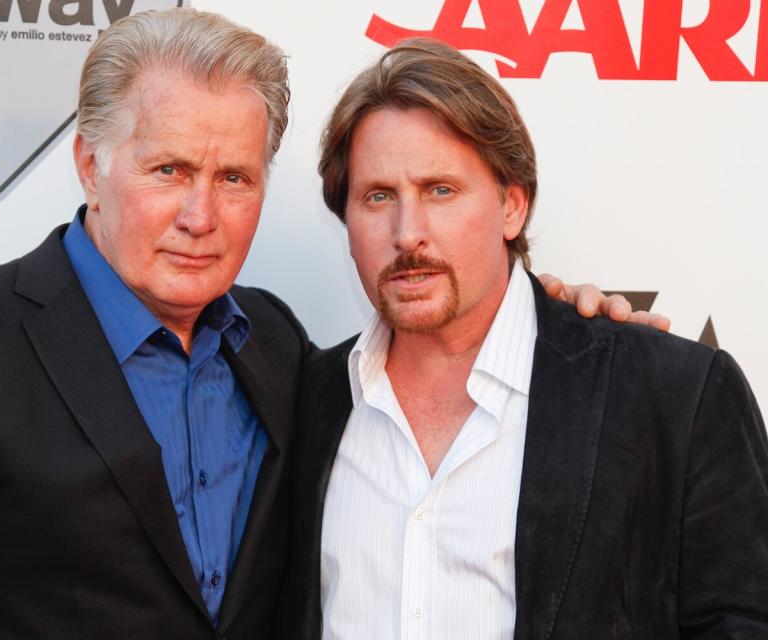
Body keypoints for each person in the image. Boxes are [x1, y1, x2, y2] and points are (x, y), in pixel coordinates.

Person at [0, 8, 663, 640]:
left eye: (235, 177)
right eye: (169, 169)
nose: (200, 214)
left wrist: (560, 322)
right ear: (90, 163)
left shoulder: (276, 346)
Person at [290, 39, 768, 639]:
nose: (408, 233)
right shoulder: (300, 401)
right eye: (378, 196)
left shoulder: (674, 396)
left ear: (512, 206)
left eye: (441, 190)